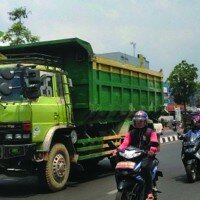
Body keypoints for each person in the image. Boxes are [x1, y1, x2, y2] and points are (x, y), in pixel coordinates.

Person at [113, 110, 159, 200]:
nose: (139, 123)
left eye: (141, 121)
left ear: (145, 122)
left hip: (146, 155)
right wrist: (117, 150)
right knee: (118, 167)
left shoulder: (150, 132)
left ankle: (149, 191)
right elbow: (124, 144)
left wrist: (152, 150)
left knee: (145, 168)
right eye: (137, 121)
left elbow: (154, 143)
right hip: (133, 155)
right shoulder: (131, 133)